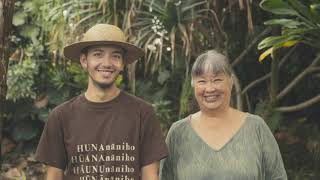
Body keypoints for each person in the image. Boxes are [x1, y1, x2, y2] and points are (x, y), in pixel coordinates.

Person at [36, 24, 168, 180]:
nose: (107, 63)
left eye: (115, 56)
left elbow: (150, 175)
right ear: (84, 61)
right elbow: (54, 176)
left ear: (122, 64)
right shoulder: (61, 116)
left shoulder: (143, 113)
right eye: (98, 54)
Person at [160, 50, 287, 180]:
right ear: (193, 85)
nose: (210, 89)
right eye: (202, 81)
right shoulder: (178, 133)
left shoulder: (256, 128)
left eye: (217, 80)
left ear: (231, 82)